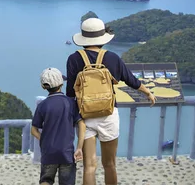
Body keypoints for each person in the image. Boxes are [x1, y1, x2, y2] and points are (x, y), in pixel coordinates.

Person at [66, 17, 156, 185]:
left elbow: (70, 92)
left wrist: (71, 117)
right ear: (102, 38)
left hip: (84, 117)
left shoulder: (74, 59)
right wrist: (147, 93)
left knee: (89, 167)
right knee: (110, 165)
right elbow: (131, 80)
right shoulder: (112, 58)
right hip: (108, 115)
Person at [32, 67, 86, 185]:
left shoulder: (42, 105)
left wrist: (43, 140)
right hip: (67, 152)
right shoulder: (70, 103)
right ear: (61, 83)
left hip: (48, 152)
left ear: (43, 86)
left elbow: (34, 130)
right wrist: (79, 148)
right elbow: (81, 124)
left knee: (46, 180)